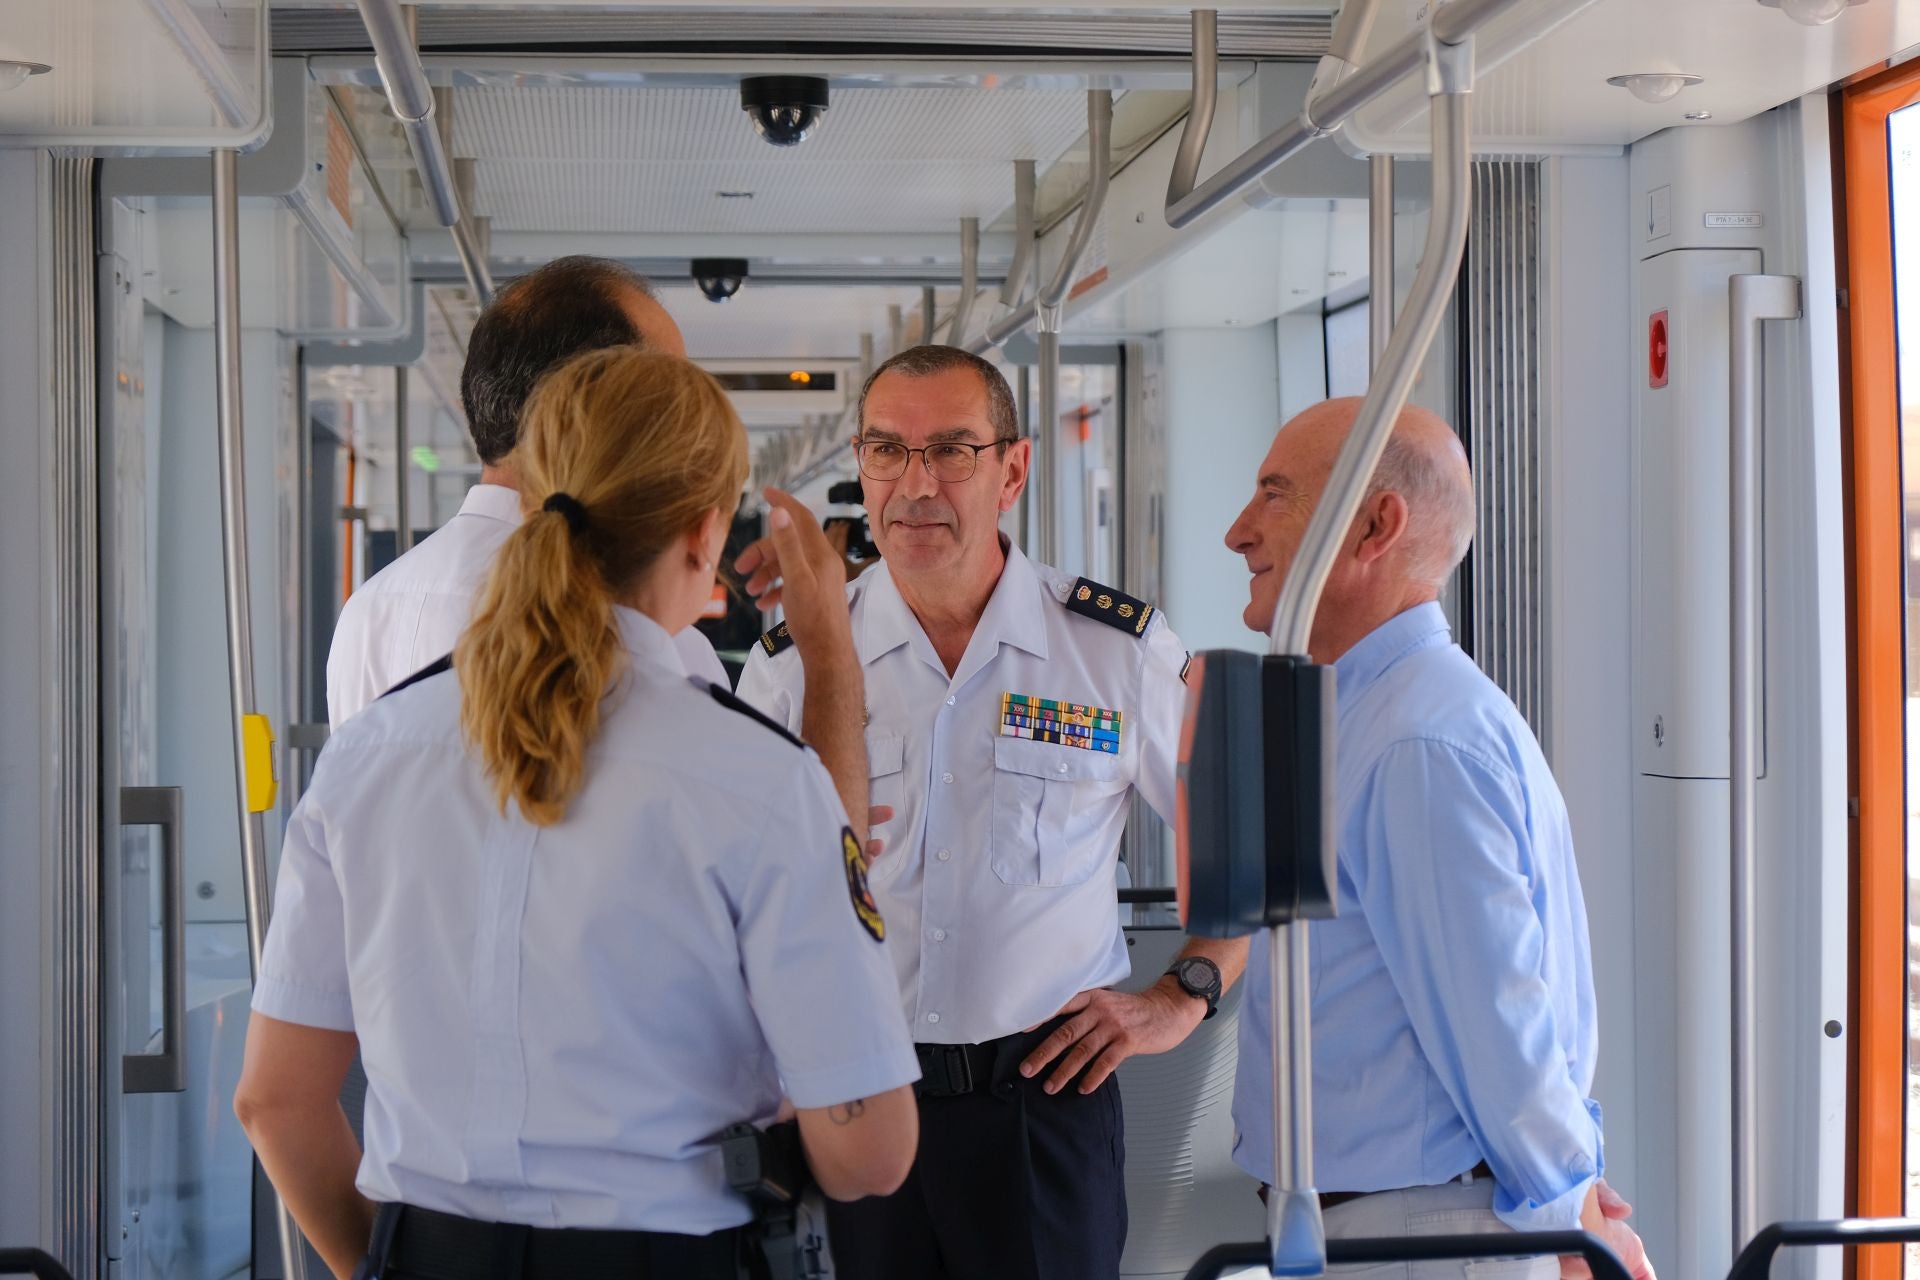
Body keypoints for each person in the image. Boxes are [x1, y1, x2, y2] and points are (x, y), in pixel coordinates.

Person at [234, 350, 920, 1280]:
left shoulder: (368, 755)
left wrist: (391, 1266)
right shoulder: (756, 776)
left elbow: (275, 1102)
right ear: (704, 529)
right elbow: (869, 1155)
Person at [734, 344, 1247, 1280]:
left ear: (1012, 469)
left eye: (952, 451)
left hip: (1042, 1109)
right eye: (888, 450)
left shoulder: (1111, 650)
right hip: (857, 1102)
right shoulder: (795, 661)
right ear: (860, 462)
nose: (915, 483)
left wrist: (1183, 996)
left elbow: (1243, 847)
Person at [1221, 397, 1654, 1280]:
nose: (1238, 532)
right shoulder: (1373, 718)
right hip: (1383, 1225)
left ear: (1376, 526)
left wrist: (1575, 1213)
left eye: (1274, 495)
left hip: (1424, 1236)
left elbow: (1500, 1023)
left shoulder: (1417, 741)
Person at [325, 256, 729, 729]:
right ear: (588, 407)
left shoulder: (368, 611)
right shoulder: (646, 628)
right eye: (668, 395)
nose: (683, 424)